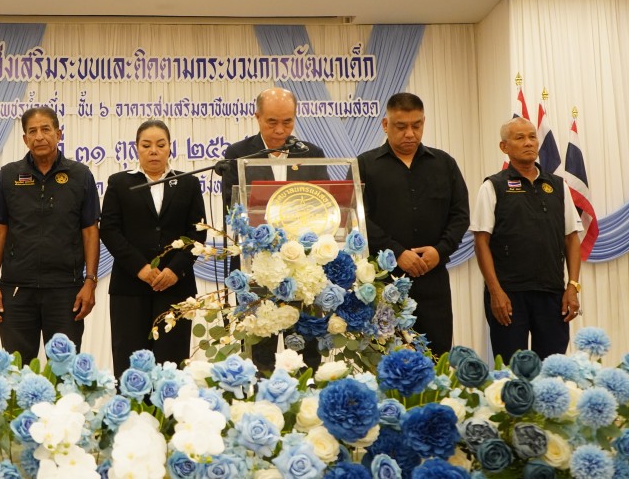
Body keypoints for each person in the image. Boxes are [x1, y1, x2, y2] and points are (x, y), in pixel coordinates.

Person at [221, 87, 328, 371]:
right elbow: (232, 209)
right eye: (272, 122)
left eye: (287, 121)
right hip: (257, 269)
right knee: (260, 356)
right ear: (257, 117)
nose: (280, 130)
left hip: (303, 271)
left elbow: (325, 208)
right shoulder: (238, 154)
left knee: (305, 355)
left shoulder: (311, 154)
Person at [356, 92, 469, 357]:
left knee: (437, 357)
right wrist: (397, 253)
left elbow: (460, 215)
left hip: (433, 278)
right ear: (386, 125)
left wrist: (440, 251)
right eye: (401, 126)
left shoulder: (444, 164)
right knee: (386, 357)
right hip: (385, 280)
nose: (410, 133)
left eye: (416, 125)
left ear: (423, 122)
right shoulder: (366, 165)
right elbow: (360, 218)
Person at [0, 107, 101, 361]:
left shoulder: (80, 175)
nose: (39, 136)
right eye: (32, 131)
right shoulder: (8, 175)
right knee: (17, 368)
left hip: (66, 290)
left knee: (64, 368)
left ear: (58, 134)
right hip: (16, 290)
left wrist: (90, 281)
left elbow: (90, 232)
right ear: (25, 139)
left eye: (45, 129)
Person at [100, 120, 207, 377]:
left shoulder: (188, 183)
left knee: (171, 365)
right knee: (130, 364)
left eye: (160, 145)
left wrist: (175, 270)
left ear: (170, 148)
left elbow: (198, 232)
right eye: (146, 145)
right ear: (136, 148)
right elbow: (110, 231)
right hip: (130, 287)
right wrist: (140, 267)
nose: (154, 151)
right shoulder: (120, 183)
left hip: (176, 287)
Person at [471, 117, 582, 362]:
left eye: (532, 137)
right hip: (508, 296)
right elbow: (481, 242)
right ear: (504, 147)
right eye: (520, 138)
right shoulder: (493, 186)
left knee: (553, 370)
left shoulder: (558, 186)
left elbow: (572, 238)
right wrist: (495, 292)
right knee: (512, 372)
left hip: (552, 293)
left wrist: (573, 286)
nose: (528, 142)